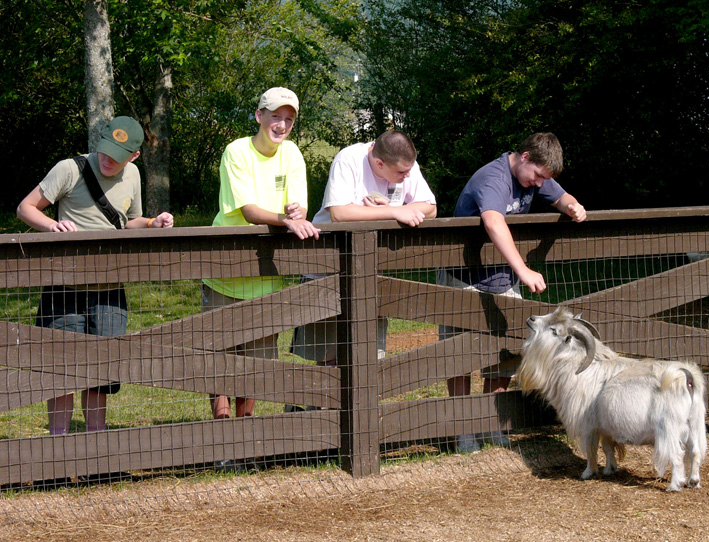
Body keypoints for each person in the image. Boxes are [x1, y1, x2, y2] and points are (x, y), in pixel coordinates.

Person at [16, 116, 174, 435]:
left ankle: (96, 448)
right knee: (61, 368)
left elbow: (128, 221)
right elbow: (26, 208)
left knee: (102, 367)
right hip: (64, 287)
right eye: (104, 150)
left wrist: (150, 224)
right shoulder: (69, 169)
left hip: (110, 288)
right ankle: (59, 443)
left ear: (133, 156)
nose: (106, 159)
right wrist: (52, 226)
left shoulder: (133, 175)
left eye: (116, 156)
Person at [441, 132, 586, 453]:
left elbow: (561, 197)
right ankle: (462, 430)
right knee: (458, 356)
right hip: (462, 277)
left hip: (500, 278)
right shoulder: (493, 178)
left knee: (506, 352)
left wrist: (575, 207)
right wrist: (523, 269)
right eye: (536, 175)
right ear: (524, 157)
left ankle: (490, 425)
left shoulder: (533, 175)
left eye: (543, 179)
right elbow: (493, 221)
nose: (538, 184)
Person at [202, 87, 320, 423]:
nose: (282, 125)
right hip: (225, 271)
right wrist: (285, 219)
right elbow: (249, 211)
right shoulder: (236, 151)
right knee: (218, 356)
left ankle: (245, 427)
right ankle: (223, 428)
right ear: (259, 116)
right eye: (276, 116)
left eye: (289, 119)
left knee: (258, 360)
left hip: (267, 274)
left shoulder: (293, 154)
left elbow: (301, 207)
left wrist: (297, 210)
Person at [288, 130, 436, 395]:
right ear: (379, 164)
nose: (407, 177)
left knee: (368, 352)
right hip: (326, 268)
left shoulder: (405, 165)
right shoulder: (349, 159)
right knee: (328, 356)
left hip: (370, 270)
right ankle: (318, 414)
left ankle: (360, 416)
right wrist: (390, 211)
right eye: (401, 173)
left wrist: (382, 211)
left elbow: (431, 207)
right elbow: (340, 212)